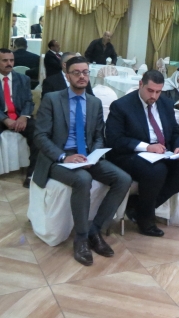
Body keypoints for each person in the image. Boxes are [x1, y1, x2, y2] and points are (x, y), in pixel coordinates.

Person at [32, 56, 131, 266]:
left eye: (85, 72)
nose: (82, 76)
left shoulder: (94, 102)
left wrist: (93, 156)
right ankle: (81, 238)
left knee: (123, 178)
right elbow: (40, 136)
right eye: (76, 73)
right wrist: (64, 157)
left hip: (86, 156)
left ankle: (95, 231)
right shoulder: (52, 99)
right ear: (67, 76)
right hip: (58, 158)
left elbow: (99, 136)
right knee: (83, 179)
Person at [105, 70, 179, 237]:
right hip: (128, 154)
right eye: (150, 90)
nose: (154, 96)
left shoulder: (165, 103)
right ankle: (146, 220)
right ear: (141, 84)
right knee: (157, 170)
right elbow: (114, 140)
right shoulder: (121, 105)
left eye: (158, 91)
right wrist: (147, 147)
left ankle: (138, 207)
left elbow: (176, 132)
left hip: (161, 153)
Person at [0, 48, 36, 188]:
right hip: (2, 117)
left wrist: (23, 117)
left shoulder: (23, 79)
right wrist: (4, 119)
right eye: (5, 60)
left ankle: (32, 174)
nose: (9, 63)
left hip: (20, 116)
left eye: (11, 60)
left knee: (39, 134)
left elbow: (29, 102)